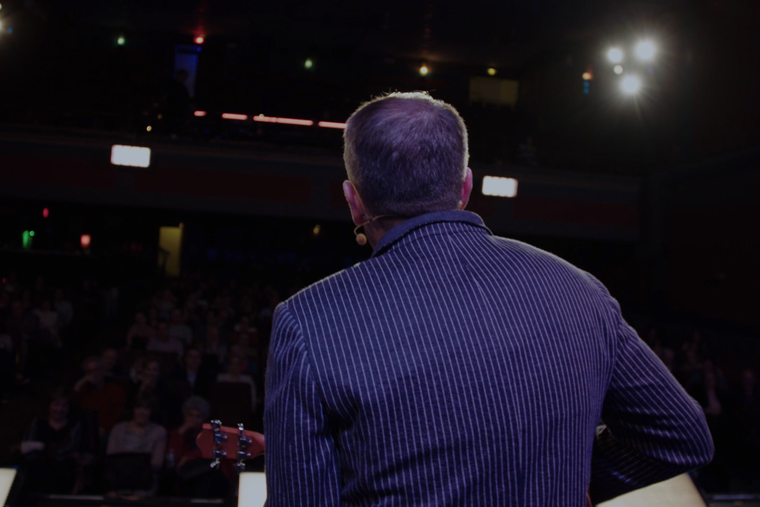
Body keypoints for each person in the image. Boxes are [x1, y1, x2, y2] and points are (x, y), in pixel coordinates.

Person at [263, 92, 713, 506]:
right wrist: (567, 473)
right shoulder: (580, 290)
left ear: (353, 202)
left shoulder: (308, 321)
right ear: (465, 187)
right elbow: (682, 436)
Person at [20, 388, 82, 494]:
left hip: (63, 472)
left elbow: (67, 450)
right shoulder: (38, 422)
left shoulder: (74, 425)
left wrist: (40, 446)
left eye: (64, 406)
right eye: (56, 405)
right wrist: (46, 447)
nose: (59, 409)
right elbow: (25, 448)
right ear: (49, 405)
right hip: (37, 469)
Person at [106, 395, 167, 496]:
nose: (141, 412)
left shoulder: (159, 432)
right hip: (119, 480)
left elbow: (157, 463)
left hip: (144, 482)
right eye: (138, 407)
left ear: (151, 411)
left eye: (146, 408)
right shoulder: (118, 429)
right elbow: (111, 458)